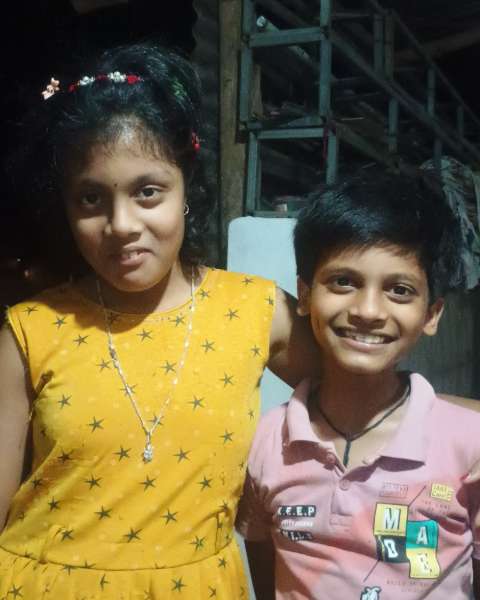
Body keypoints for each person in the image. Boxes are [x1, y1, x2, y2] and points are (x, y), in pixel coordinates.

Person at [0, 43, 319, 598]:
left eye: (148, 192)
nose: (122, 224)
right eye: (90, 199)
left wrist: (459, 419)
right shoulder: (30, 330)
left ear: (185, 186)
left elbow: (368, 399)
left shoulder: (257, 311)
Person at [236, 167, 480, 599]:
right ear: (305, 295)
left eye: (399, 290)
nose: (368, 310)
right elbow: (265, 569)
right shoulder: (266, 443)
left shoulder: (469, 447)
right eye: (343, 282)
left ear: (432, 314)